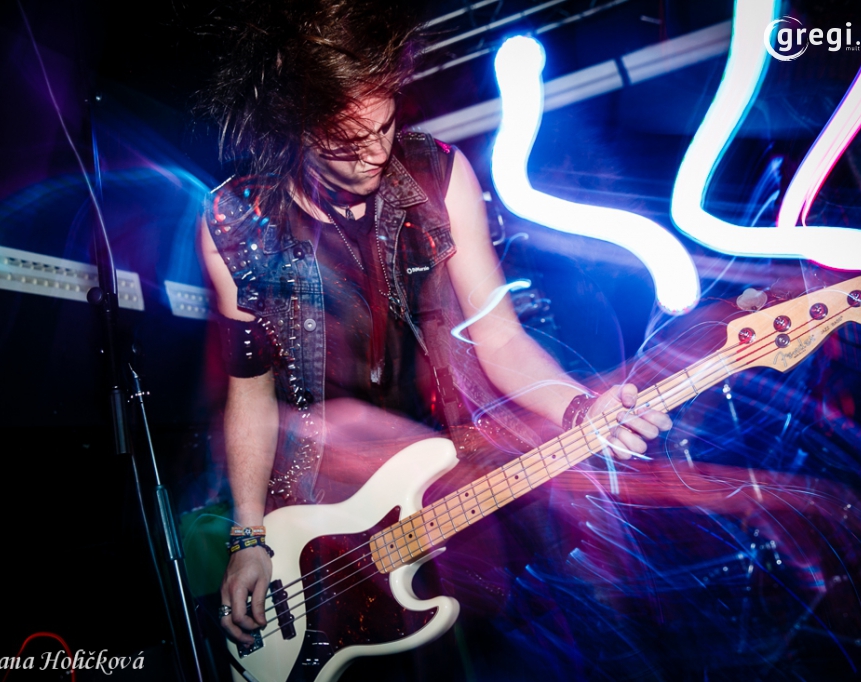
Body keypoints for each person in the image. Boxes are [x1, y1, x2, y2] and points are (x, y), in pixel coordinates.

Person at [197, 0, 671, 656]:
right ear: (294, 128)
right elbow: (250, 393)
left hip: (454, 490)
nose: (374, 154)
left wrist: (580, 408)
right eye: (346, 143)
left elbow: (499, 335)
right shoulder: (236, 224)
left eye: (385, 125)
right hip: (327, 523)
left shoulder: (437, 175)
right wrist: (250, 535)